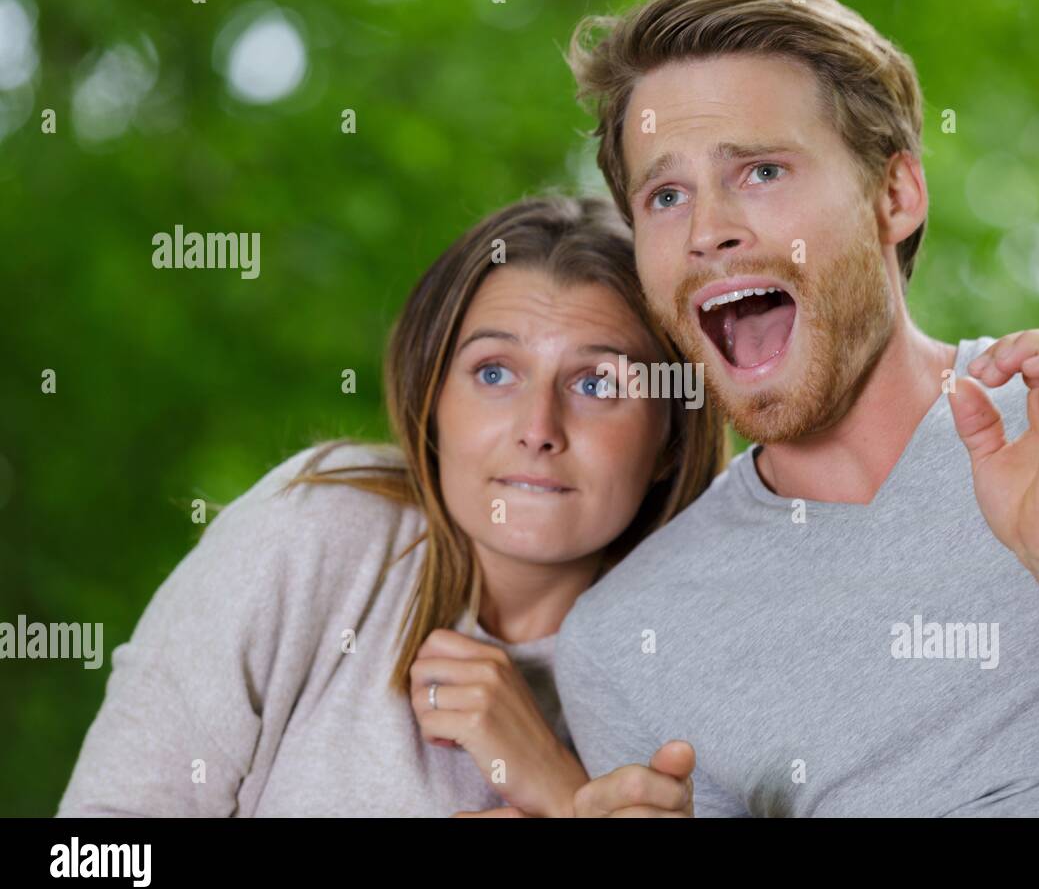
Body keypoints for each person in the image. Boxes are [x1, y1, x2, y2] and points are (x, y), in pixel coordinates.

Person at [555, 0, 1039, 817]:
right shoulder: (624, 643)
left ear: (896, 194)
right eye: (665, 194)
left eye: (760, 172)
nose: (706, 231)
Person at [56, 195, 724, 816]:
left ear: (671, 437)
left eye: (598, 382)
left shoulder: (704, 665)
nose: (537, 427)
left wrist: (559, 787)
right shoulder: (316, 531)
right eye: (494, 373)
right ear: (432, 402)